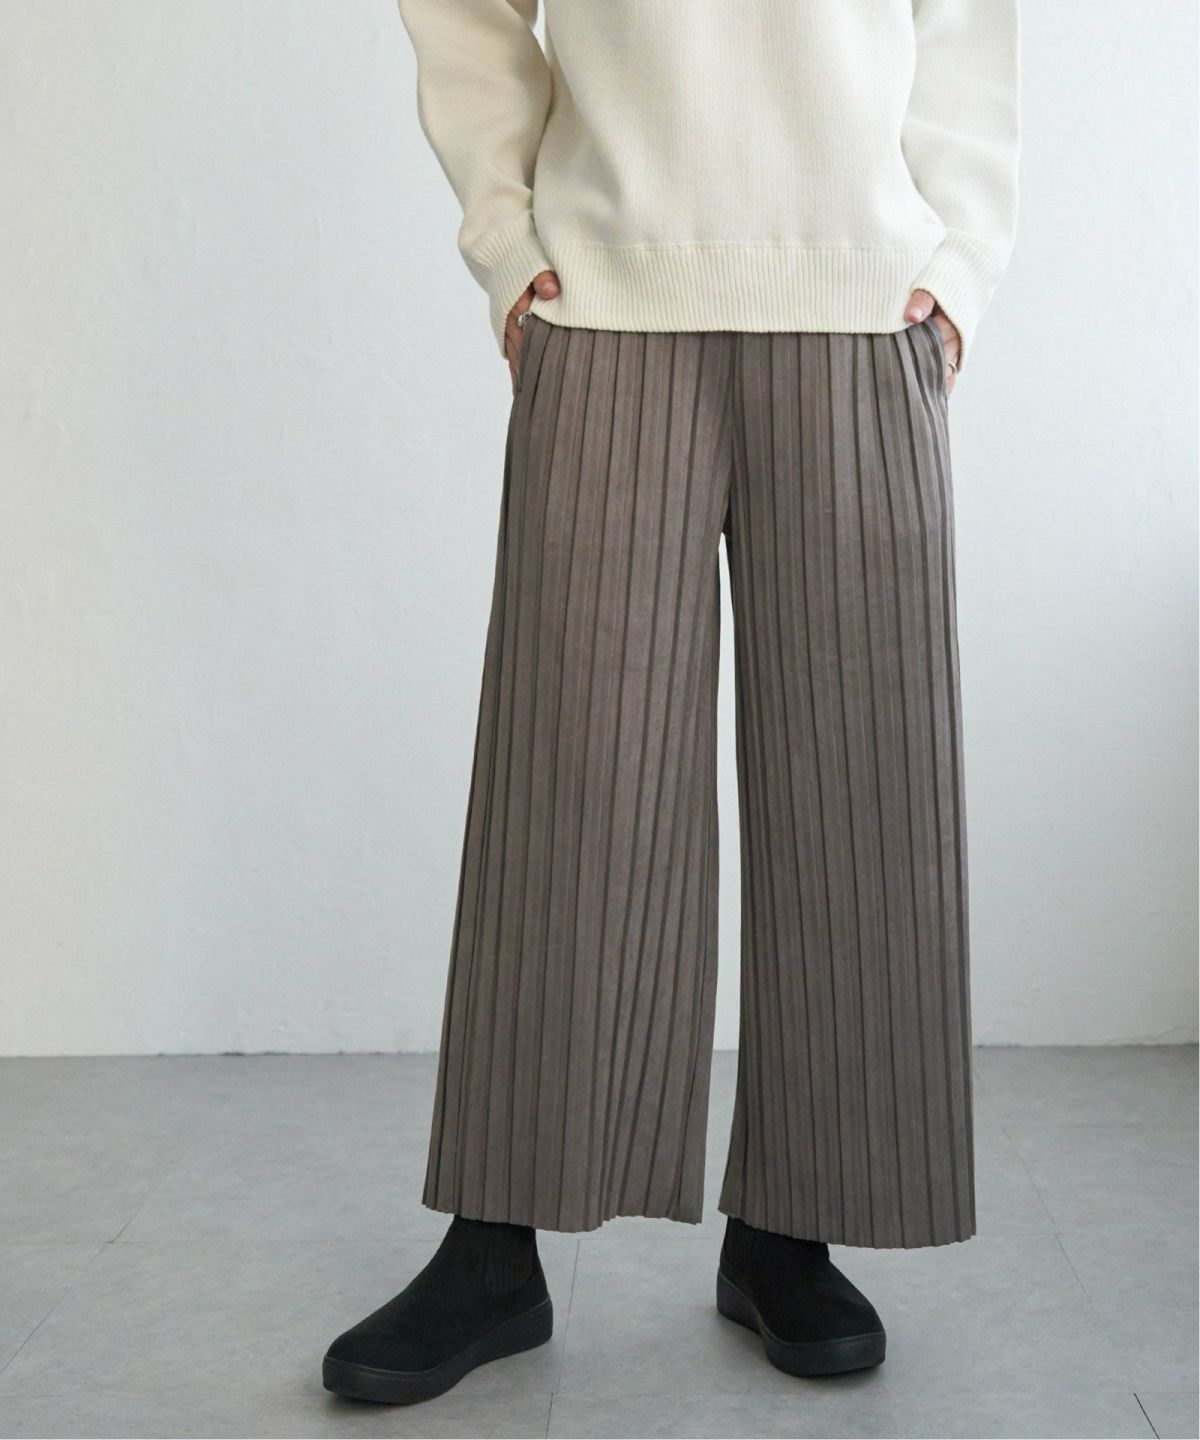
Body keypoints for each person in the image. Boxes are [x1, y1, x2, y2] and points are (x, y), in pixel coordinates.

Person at [322, 0, 1019, 1406]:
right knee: (571, 787)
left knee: (864, 795)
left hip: (862, 303)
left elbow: (968, 20)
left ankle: (791, 1232)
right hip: (606, 293)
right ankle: (497, 1246)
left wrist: (959, 264)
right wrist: (507, 240)